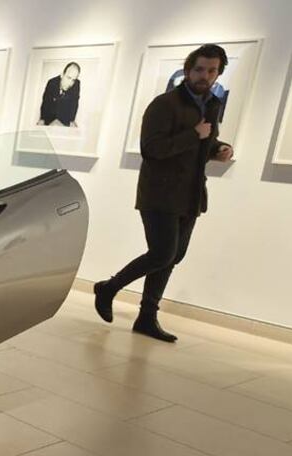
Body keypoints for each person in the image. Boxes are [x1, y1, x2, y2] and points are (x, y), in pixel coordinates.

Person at [93, 44, 234, 343]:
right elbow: (152, 149)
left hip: (191, 194)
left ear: (218, 73)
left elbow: (204, 143)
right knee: (161, 253)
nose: (204, 76)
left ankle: (146, 317)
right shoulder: (164, 104)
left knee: (173, 257)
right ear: (187, 70)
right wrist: (194, 135)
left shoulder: (211, 105)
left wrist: (217, 149)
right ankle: (108, 288)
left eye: (211, 71)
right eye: (199, 69)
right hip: (160, 193)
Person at [39, 62, 80, 127]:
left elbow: (74, 104)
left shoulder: (76, 84)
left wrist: (71, 121)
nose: (70, 83)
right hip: (50, 119)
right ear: (62, 75)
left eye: (73, 80)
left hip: (64, 120)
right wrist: (42, 119)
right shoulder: (52, 83)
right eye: (68, 78)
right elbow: (45, 103)